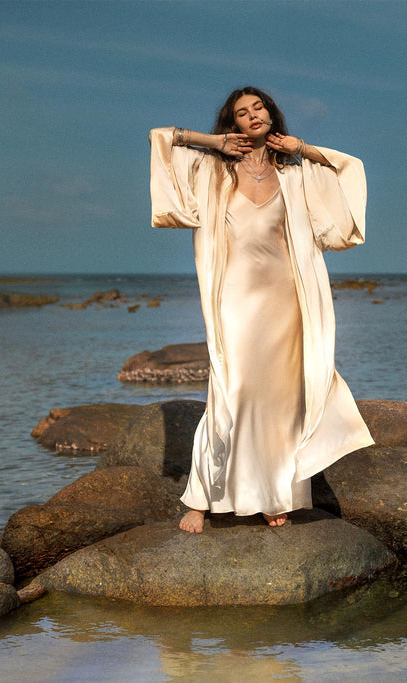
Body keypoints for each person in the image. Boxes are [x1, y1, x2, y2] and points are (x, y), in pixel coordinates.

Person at [149, 86, 374, 533]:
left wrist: (302, 148)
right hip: (234, 298)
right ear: (232, 123)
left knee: (280, 398)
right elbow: (161, 137)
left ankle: (276, 494)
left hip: (286, 300)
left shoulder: (296, 174)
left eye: (259, 107)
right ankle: (203, 497)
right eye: (242, 112)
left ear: (272, 114)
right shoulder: (212, 171)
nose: (253, 115)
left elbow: (350, 171)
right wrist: (212, 142)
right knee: (231, 391)